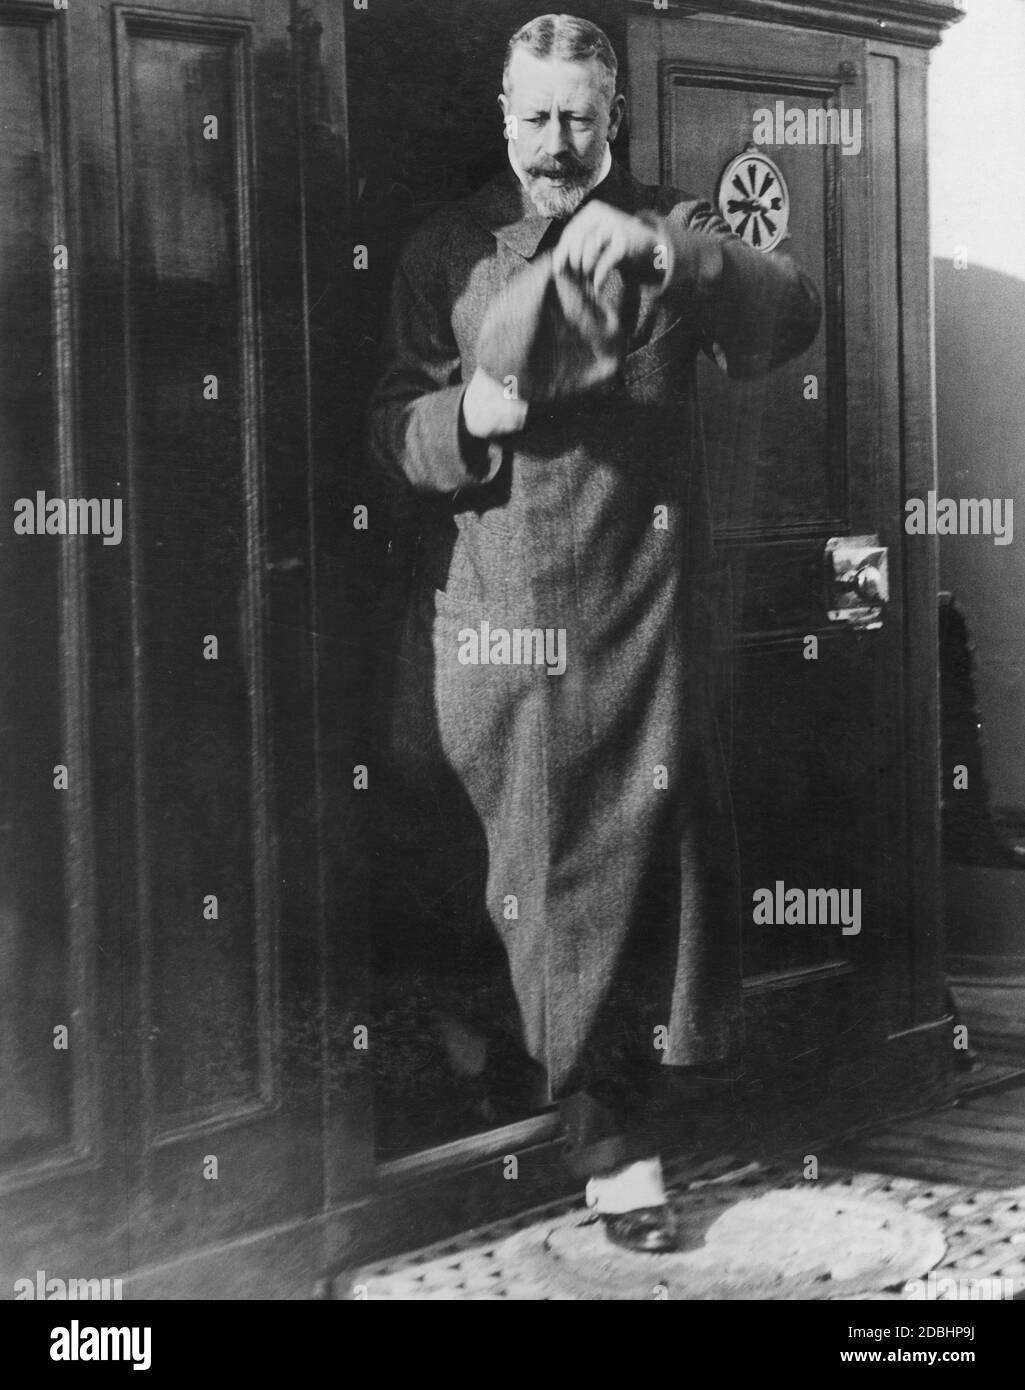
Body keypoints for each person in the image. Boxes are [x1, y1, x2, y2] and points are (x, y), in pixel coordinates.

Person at [368, 12, 821, 1252]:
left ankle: (617, 1148)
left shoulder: (677, 225)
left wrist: (681, 261)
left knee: (650, 881)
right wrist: (471, 409)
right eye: (534, 118)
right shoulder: (444, 250)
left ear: (611, 120)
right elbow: (390, 426)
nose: (556, 145)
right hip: (497, 622)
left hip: (640, 618)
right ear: (501, 116)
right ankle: (551, 1112)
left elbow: (787, 317)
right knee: (527, 878)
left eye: (580, 119)